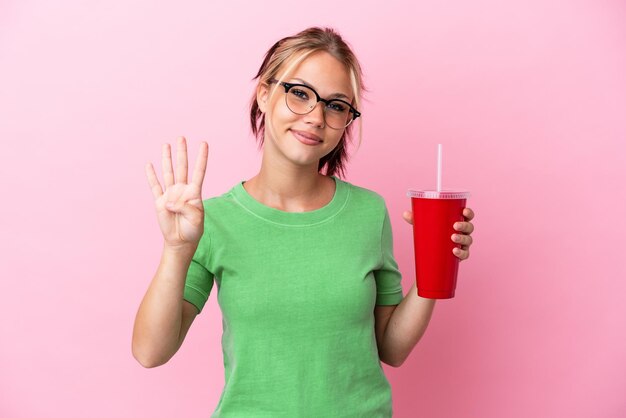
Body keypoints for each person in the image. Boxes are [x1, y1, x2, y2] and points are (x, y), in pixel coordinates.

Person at [132, 27, 475, 417]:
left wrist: (436, 266)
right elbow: (149, 352)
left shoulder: (368, 212)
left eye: (336, 105)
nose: (315, 117)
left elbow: (391, 349)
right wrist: (177, 249)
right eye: (299, 93)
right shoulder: (212, 220)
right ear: (264, 94)